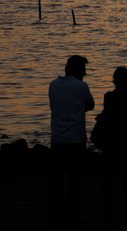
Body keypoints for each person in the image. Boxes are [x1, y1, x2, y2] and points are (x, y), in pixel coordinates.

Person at [48, 55, 95, 224]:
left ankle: (55, 212)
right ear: (76, 70)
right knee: (75, 180)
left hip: (57, 139)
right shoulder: (81, 86)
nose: (85, 73)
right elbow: (90, 104)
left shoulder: (53, 85)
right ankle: (72, 214)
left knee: (56, 180)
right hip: (76, 139)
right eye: (83, 69)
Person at [98, 67, 127, 225]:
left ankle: (106, 214)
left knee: (107, 181)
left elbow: (107, 117)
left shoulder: (108, 97)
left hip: (110, 142)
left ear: (114, 80)